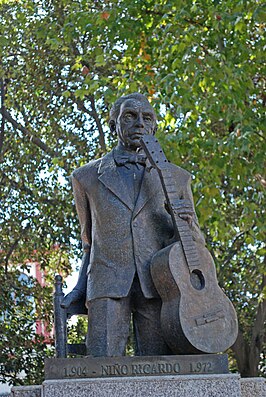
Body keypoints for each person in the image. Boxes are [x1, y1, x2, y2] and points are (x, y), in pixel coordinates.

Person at [62, 93, 204, 357]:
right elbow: (88, 243)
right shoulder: (86, 177)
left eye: (146, 118)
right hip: (106, 283)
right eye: (130, 116)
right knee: (100, 371)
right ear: (114, 125)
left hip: (162, 284)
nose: (139, 123)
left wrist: (183, 222)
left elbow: (195, 244)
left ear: (154, 127)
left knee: (162, 371)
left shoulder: (177, 178)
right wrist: (80, 288)